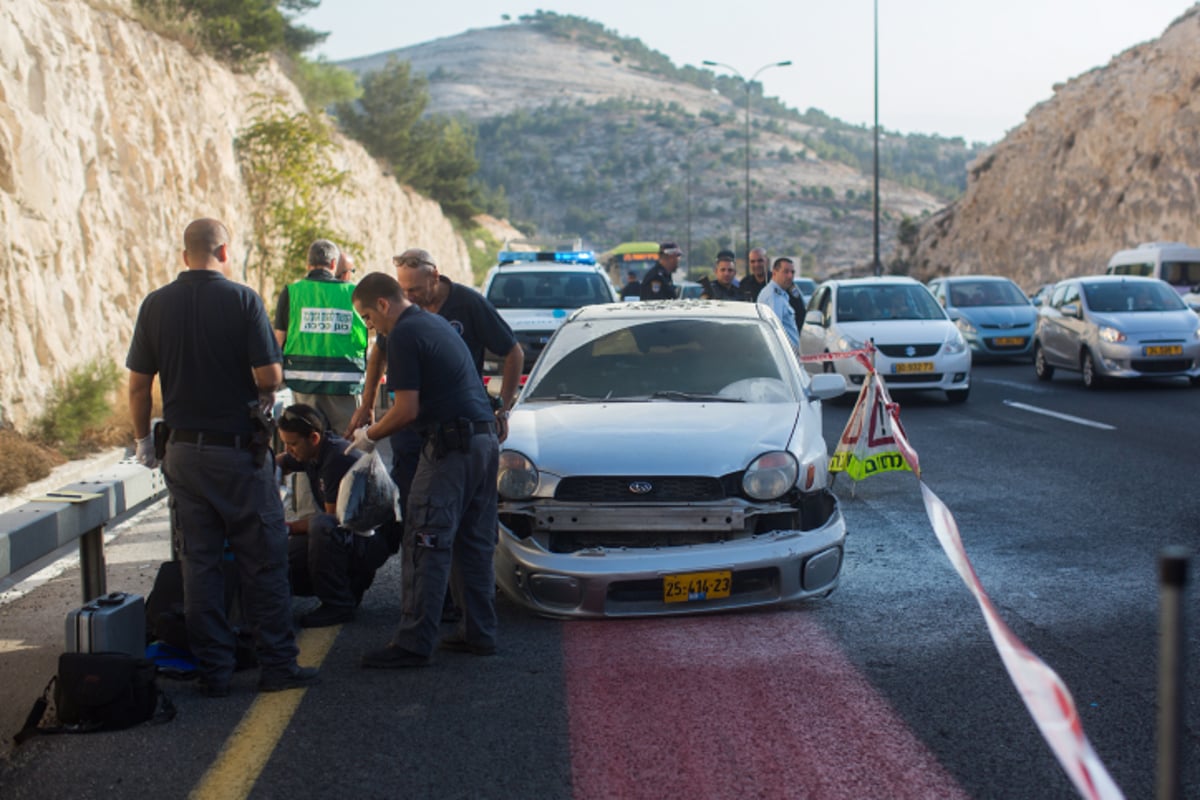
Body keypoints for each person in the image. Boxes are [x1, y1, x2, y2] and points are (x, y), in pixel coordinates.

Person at [126, 218, 318, 696]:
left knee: (200, 564)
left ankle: (214, 671)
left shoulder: (155, 304)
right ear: (224, 252)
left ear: (185, 253)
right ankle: (277, 666)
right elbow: (270, 376)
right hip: (235, 452)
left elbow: (137, 384)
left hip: (183, 454)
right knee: (263, 559)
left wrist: (142, 441)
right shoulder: (242, 299)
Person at [348, 273, 500, 668]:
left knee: (425, 538)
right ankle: (478, 632)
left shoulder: (403, 334)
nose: (370, 326)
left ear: (383, 304)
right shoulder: (434, 323)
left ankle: (413, 642)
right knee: (473, 543)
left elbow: (406, 409)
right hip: (483, 442)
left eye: (367, 316)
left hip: (450, 448)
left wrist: (369, 434)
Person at [277, 403, 394, 628]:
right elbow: (282, 462)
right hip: (353, 536)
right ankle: (346, 588)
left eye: (292, 444)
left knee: (322, 526)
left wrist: (286, 527)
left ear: (313, 438)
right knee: (284, 560)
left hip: (369, 541)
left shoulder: (336, 458)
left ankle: (339, 603)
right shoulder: (313, 451)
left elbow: (335, 520)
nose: (289, 449)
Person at [273, 240, 369, 437]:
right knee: (348, 446)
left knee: (307, 442)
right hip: (345, 384)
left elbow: (277, 341)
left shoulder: (292, 292)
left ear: (308, 265)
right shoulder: (354, 293)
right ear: (334, 264)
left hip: (303, 384)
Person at [757, 256, 800, 349]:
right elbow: (774, 331)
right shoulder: (773, 295)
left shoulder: (781, 293)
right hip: (783, 353)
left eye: (792, 272)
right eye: (786, 271)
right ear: (774, 273)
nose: (790, 276)